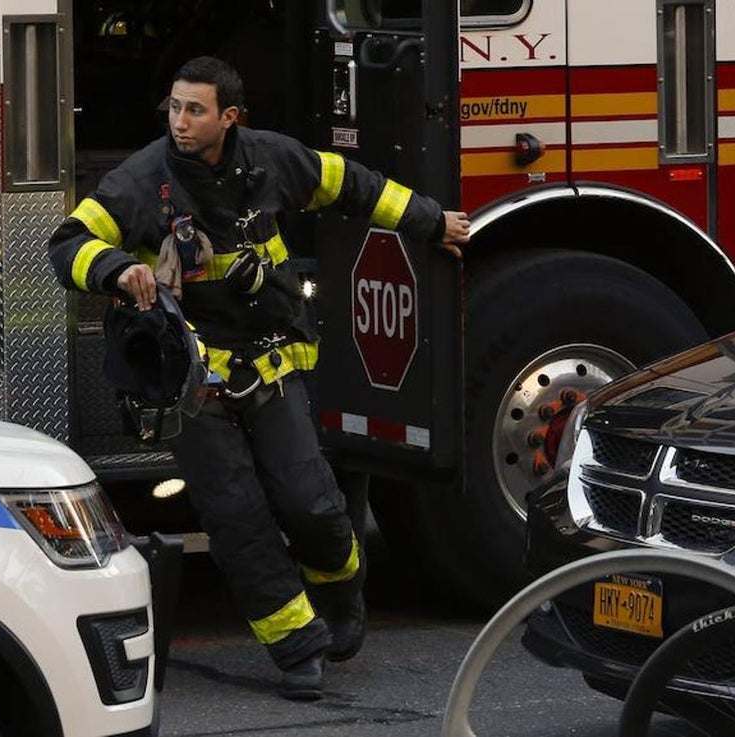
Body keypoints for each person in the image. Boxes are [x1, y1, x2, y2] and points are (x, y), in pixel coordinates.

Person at [48, 56, 470, 700]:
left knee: (313, 505)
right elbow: (68, 241)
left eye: (195, 110)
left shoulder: (274, 159)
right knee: (236, 516)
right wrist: (111, 268)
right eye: (173, 107)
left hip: (271, 366)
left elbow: (355, 186)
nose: (180, 122)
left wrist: (432, 222)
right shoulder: (142, 180)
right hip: (190, 384)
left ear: (230, 117)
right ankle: (297, 647)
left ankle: (339, 593)